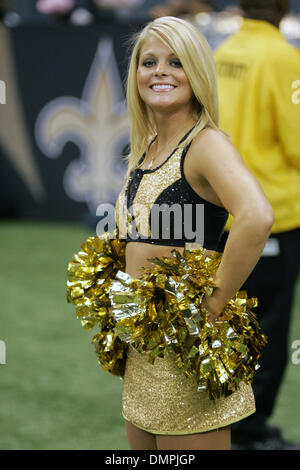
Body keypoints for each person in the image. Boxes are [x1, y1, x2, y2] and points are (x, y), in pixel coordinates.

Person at [110, 15, 273, 450]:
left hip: (186, 348)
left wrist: (215, 303)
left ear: (197, 73)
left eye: (176, 62)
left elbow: (256, 217)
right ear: (135, 75)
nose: (160, 71)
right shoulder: (146, 147)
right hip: (144, 350)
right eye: (149, 61)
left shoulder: (205, 145)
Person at [214, 0, 300, 450]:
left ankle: (224, 426)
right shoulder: (284, 57)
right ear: (283, 7)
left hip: (223, 211)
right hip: (272, 215)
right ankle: (247, 432)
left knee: (232, 322)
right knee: (267, 328)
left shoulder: (223, 51)